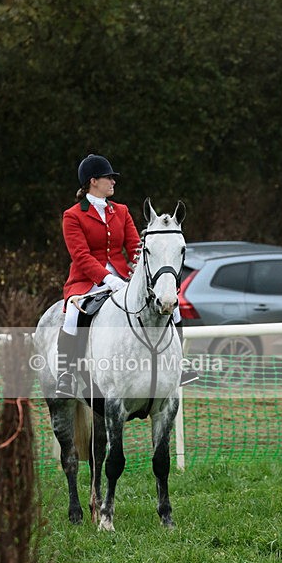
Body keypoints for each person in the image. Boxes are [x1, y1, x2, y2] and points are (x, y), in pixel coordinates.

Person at [56, 154, 196, 397]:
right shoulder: (73, 215)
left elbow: (135, 248)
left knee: (173, 309)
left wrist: (145, 274)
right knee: (72, 316)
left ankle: (180, 364)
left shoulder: (120, 211)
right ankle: (67, 373)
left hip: (125, 277)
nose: (113, 182)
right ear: (93, 181)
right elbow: (80, 255)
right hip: (87, 281)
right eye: (108, 177)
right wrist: (107, 279)